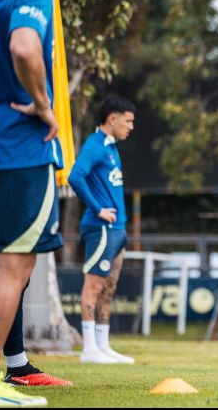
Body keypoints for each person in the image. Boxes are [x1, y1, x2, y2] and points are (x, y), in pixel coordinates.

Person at [0, 0, 67, 405]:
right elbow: (25, 46)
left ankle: (17, 366)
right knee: (11, 268)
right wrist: (43, 103)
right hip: (16, 148)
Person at [68, 95, 135, 364]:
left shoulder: (111, 147)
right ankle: (89, 349)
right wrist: (97, 208)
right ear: (112, 119)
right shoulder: (95, 145)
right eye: (128, 121)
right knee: (94, 285)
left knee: (109, 287)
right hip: (101, 228)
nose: (131, 127)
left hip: (118, 230)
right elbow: (75, 176)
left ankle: (103, 346)